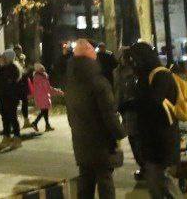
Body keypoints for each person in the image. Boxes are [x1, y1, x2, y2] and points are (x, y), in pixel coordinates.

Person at [66, 39, 125, 199]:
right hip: (101, 143)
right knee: (105, 181)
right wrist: (120, 132)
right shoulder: (99, 82)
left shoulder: (71, 82)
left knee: (85, 181)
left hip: (81, 142)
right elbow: (109, 113)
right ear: (91, 55)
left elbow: (70, 115)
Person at [128, 42, 180, 199]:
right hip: (150, 137)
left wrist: (131, 104)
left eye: (134, 59)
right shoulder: (144, 76)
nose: (132, 62)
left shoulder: (161, 75)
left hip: (163, 136)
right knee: (156, 183)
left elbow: (153, 102)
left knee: (162, 181)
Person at [113, 48, 143, 180]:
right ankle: (143, 165)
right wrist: (116, 107)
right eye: (122, 56)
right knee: (133, 138)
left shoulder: (136, 71)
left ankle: (144, 166)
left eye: (126, 56)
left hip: (134, 109)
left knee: (136, 138)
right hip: (124, 109)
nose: (125, 59)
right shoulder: (116, 72)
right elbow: (117, 91)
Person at [0, 50, 22, 149]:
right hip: (2, 97)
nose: (1, 58)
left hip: (11, 98)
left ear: (8, 58)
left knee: (12, 118)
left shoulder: (13, 68)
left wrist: (0, 65)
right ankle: (6, 138)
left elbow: (3, 78)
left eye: (3, 57)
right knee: (5, 119)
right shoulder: (3, 67)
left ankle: (17, 139)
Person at [27, 63, 56, 131]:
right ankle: (35, 123)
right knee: (44, 111)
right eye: (41, 68)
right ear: (38, 70)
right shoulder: (42, 77)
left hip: (40, 97)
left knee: (44, 111)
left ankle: (47, 125)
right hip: (43, 97)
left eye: (43, 68)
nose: (43, 69)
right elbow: (47, 88)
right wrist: (57, 91)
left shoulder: (37, 77)